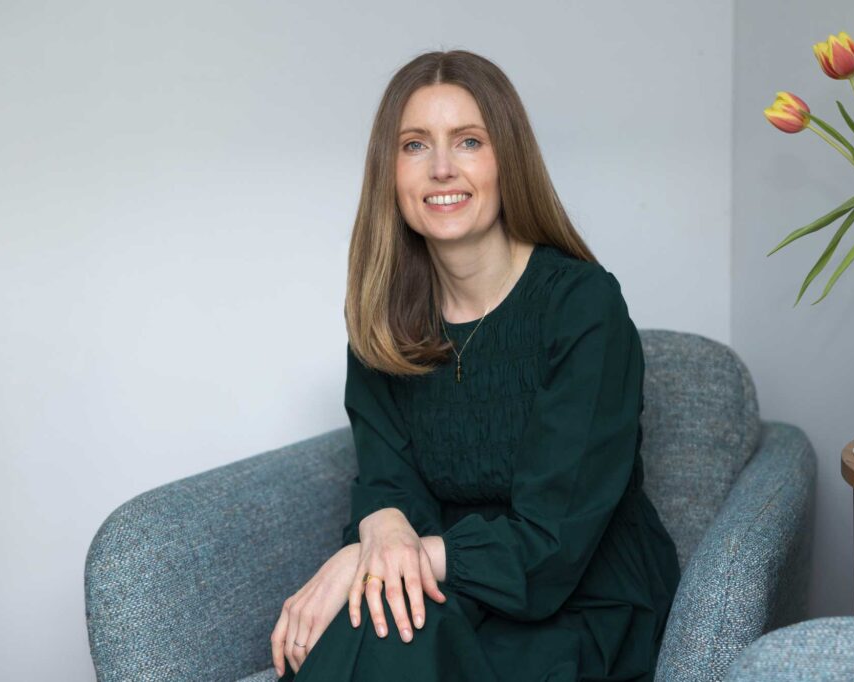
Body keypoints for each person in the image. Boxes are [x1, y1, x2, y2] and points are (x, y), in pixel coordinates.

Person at [270, 49, 681, 682]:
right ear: (389, 172)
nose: (441, 168)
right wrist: (380, 530)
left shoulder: (583, 306)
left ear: (506, 159)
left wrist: (364, 561)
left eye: (468, 141)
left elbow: (554, 541)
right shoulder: (385, 319)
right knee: (371, 628)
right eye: (414, 145)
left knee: (385, 638)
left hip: (582, 595)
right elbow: (386, 480)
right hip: (451, 585)